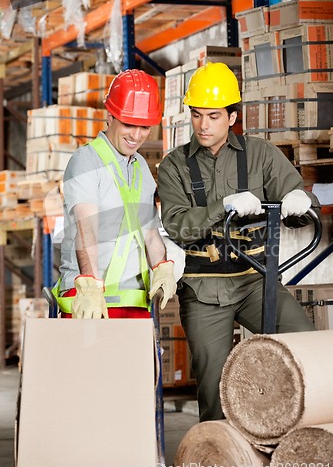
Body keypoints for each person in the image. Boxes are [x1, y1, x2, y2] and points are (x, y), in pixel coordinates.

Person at [157, 62, 321, 422]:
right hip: (204, 289)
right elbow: (177, 226)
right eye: (197, 115)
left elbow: (307, 203)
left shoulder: (260, 154)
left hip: (255, 280)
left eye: (213, 116)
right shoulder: (174, 166)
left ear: (232, 117)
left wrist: (301, 202)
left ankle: (292, 445)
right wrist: (222, 207)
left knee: (307, 349)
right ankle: (220, 460)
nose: (203, 125)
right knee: (215, 391)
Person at [53, 69, 177, 319]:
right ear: (109, 116)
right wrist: (89, 284)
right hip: (89, 299)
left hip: (134, 301)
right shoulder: (86, 160)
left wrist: (161, 267)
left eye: (144, 127)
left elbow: (150, 233)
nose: (136, 135)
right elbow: (86, 228)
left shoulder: (141, 165)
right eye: (129, 124)